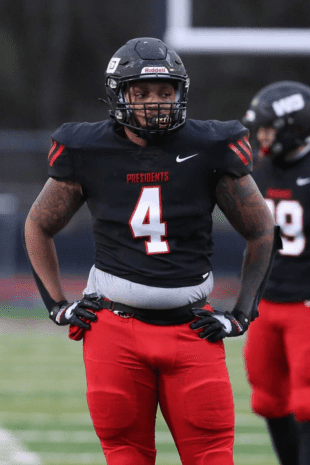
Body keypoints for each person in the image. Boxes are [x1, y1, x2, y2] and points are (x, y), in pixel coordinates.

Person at [24, 37, 276, 465]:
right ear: (119, 94)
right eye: (141, 92)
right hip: (113, 328)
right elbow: (38, 224)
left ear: (181, 93)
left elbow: (262, 230)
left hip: (192, 328)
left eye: (165, 91)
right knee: (125, 455)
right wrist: (57, 305)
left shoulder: (212, 145)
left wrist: (242, 312)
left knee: (214, 455)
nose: (155, 102)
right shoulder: (86, 149)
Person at [242, 81, 310, 465]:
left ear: (293, 126)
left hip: (306, 301)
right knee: (267, 398)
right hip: (268, 299)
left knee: (307, 401)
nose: (261, 137)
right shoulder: (260, 169)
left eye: (268, 128)